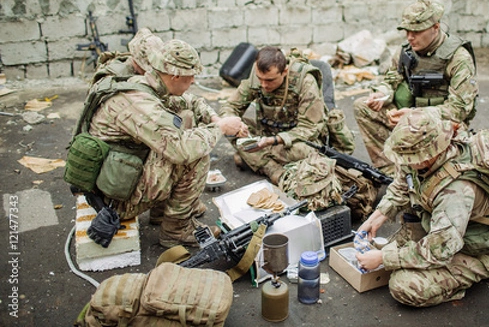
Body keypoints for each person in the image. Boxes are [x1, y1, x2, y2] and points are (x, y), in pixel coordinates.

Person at [83, 39, 244, 248]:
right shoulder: (138, 102)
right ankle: (176, 230)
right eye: (191, 76)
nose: (194, 80)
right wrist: (221, 129)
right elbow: (180, 151)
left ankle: (162, 212)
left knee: (185, 117)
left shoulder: (148, 84)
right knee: (195, 154)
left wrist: (217, 120)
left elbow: (192, 102)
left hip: (119, 175)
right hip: (115, 200)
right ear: (175, 75)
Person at [354, 108, 489, 307]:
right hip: (448, 228)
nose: (404, 162)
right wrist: (378, 216)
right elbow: (404, 182)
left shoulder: (455, 190)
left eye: (409, 158)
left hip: (475, 249)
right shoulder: (430, 151)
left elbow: (440, 249)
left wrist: (383, 258)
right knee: (399, 256)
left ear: (426, 156)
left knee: (403, 286)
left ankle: (476, 272)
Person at [353, 0, 478, 176]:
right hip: (409, 117)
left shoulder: (458, 58)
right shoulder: (406, 51)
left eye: (417, 31)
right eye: (407, 31)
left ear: (436, 27)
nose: (410, 37)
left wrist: (417, 116)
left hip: (440, 124)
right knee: (362, 107)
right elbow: (391, 80)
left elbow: (459, 110)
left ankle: (430, 175)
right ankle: (392, 172)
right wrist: (382, 94)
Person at [218, 46, 329, 184]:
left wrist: (274, 140)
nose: (264, 85)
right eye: (260, 79)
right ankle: (274, 170)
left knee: (305, 151)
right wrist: (238, 126)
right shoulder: (256, 76)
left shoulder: (305, 81)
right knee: (227, 126)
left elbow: (310, 128)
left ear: (285, 72)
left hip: (294, 140)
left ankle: (253, 158)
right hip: (266, 134)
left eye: (270, 80)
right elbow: (231, 106)